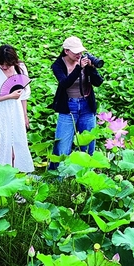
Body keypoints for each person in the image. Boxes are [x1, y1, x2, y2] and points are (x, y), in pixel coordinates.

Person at [49, 36, 104, 170]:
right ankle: (59, 178)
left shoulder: (84, 62)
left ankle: (85, 176)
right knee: (62, 146)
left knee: (88, 144)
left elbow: (98, 82)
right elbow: (64, 83)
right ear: (66, 51)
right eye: (76, 52)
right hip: (68, 107)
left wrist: (91, 69)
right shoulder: (58, 65)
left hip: (86, 106)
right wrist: (78, 68)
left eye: (80, 52)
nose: (79, 55)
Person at [0, 45, 35, 173]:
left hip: (16, 112)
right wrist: (9, 96)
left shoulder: (20, 68)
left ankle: (16, 179)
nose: (4, 67)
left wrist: (25, 115)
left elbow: (24, 95)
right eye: (1, 64)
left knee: (17, 145)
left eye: (7, 64)